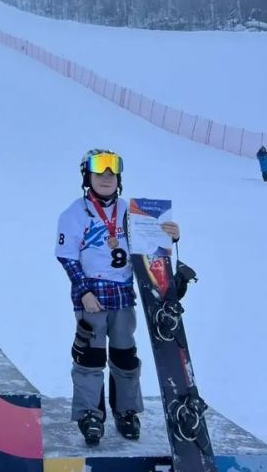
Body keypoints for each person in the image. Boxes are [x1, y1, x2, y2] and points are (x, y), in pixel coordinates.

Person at [55, 149, 179, 446]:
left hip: (123, 295)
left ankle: (126, 411)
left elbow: (150, 247)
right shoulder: (75, 213)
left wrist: (169, 235)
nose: (106, 178)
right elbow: (67, 257)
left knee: (125, 355)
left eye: (112, 173)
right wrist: (83, 292)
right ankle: (90, 414)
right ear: (87, 176)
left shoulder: (132, 212)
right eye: (99, 172)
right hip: (92, 296)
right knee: (90, 355)